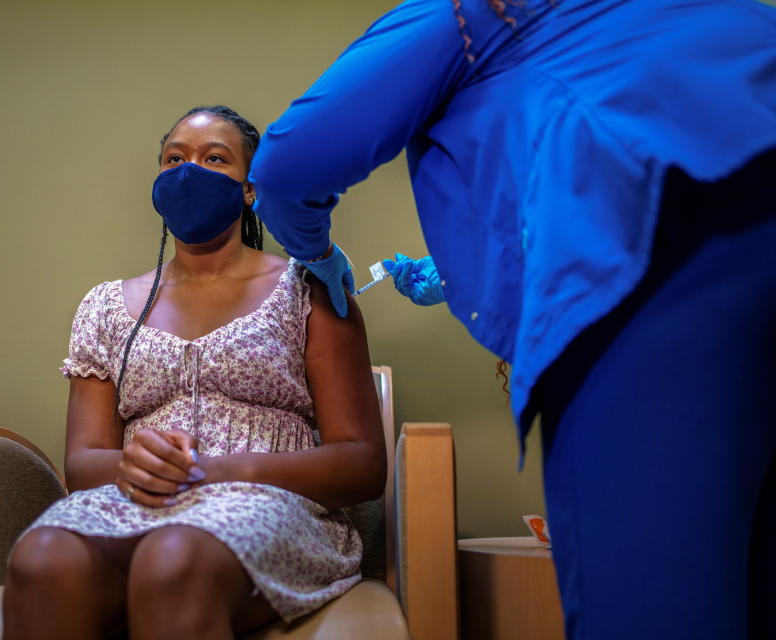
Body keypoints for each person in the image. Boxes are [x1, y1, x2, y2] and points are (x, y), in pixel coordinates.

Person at [248, 1, 776, 639]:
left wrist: (316, 251)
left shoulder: (464, 12)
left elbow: (286, 166)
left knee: (652, 602)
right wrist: (455, 274)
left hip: (664, 259)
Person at [3, 105, 386, 640]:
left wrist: (217, 471)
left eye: (215, 159)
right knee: (41, 558)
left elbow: (363, 465)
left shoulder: (311, 289)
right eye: (174, 159)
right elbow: (84, 464)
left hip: (272, 507)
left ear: (250, 188)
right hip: (136, 503)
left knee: (173, 557)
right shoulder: (104, 307)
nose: (189, 172)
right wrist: (131, 467)